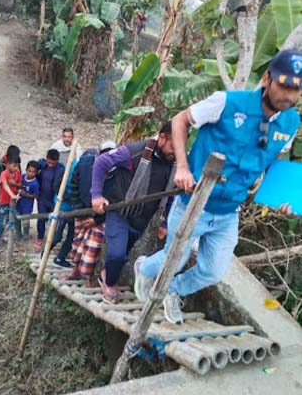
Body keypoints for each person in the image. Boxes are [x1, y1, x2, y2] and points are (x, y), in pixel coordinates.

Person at [134, 48, 302, 323]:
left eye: (296, 89)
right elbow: (180, 120)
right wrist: (183, 168)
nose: (288, 95)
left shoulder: (291, 122)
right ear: (268, 78)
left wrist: (282, 199)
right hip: (194, 202)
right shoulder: (227, 103)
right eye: (284, 85)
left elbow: (273, 162)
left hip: (229, 211)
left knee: (213, 271)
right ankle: (144, 268)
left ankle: (172, 291)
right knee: (174, 258)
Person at [92, 123, 176, 304]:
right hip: (120, 212)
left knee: (123, 256)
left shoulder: (174, 165)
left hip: (142, 220)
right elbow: (101, 162)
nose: (175, 152)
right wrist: (96, 195)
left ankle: (107, 273)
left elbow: (170, 196)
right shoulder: (136, 151)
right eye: (172, 147)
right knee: (116, 253)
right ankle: (109, 283)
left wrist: (164, 223)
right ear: (162, 138)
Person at [58, 141, 116, 285]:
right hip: (82, 210)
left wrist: (96, 219)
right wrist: (79, 210)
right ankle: (75, 271)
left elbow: (116, 198)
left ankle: (88, 277)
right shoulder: (84, 164)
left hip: (100, 216)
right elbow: (74, 186)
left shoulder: (117, 173)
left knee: (93, 246)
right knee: (77, 242)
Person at [0, 153, 22, 250]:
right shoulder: (4, 174)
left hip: (12, 202)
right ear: (7, 165)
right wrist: (12, 195)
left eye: (17, 165)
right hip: (4, 202)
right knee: (1, 223)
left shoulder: (17, 173)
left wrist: (18, 191)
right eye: (14, 165)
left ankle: (1, 236)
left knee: (7, 221)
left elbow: (19, 184)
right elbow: (5, 185)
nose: (16, 168)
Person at [35, 149, 65, 251]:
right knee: (41, 218)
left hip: (53, 198)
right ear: (46, 159)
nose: (51, 165)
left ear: (57, 161)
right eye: (49, 162)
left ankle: (52, 238)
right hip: (42, 197)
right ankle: (40, 237)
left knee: (53, 218)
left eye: (53, 163)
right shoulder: (41, 165)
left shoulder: (61, 169)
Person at [0, 145, 21, 227]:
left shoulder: (15, 163)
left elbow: (19, 175)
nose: (16, 166)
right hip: (1, 193)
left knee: (10, 209)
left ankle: (8, 224)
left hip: (12, 191)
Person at [17, 161, 40, 238]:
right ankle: (18, 234)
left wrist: (26, 194)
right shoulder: (23, 177)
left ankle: (26, 235)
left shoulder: (35, 184)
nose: (31, 173)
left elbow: (36, 195)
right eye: (29, 171)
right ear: (26, 170)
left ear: (36, 173)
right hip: (19, 203)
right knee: (17, 219)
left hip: (27, 206)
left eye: (33, 172)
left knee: (26, 221)